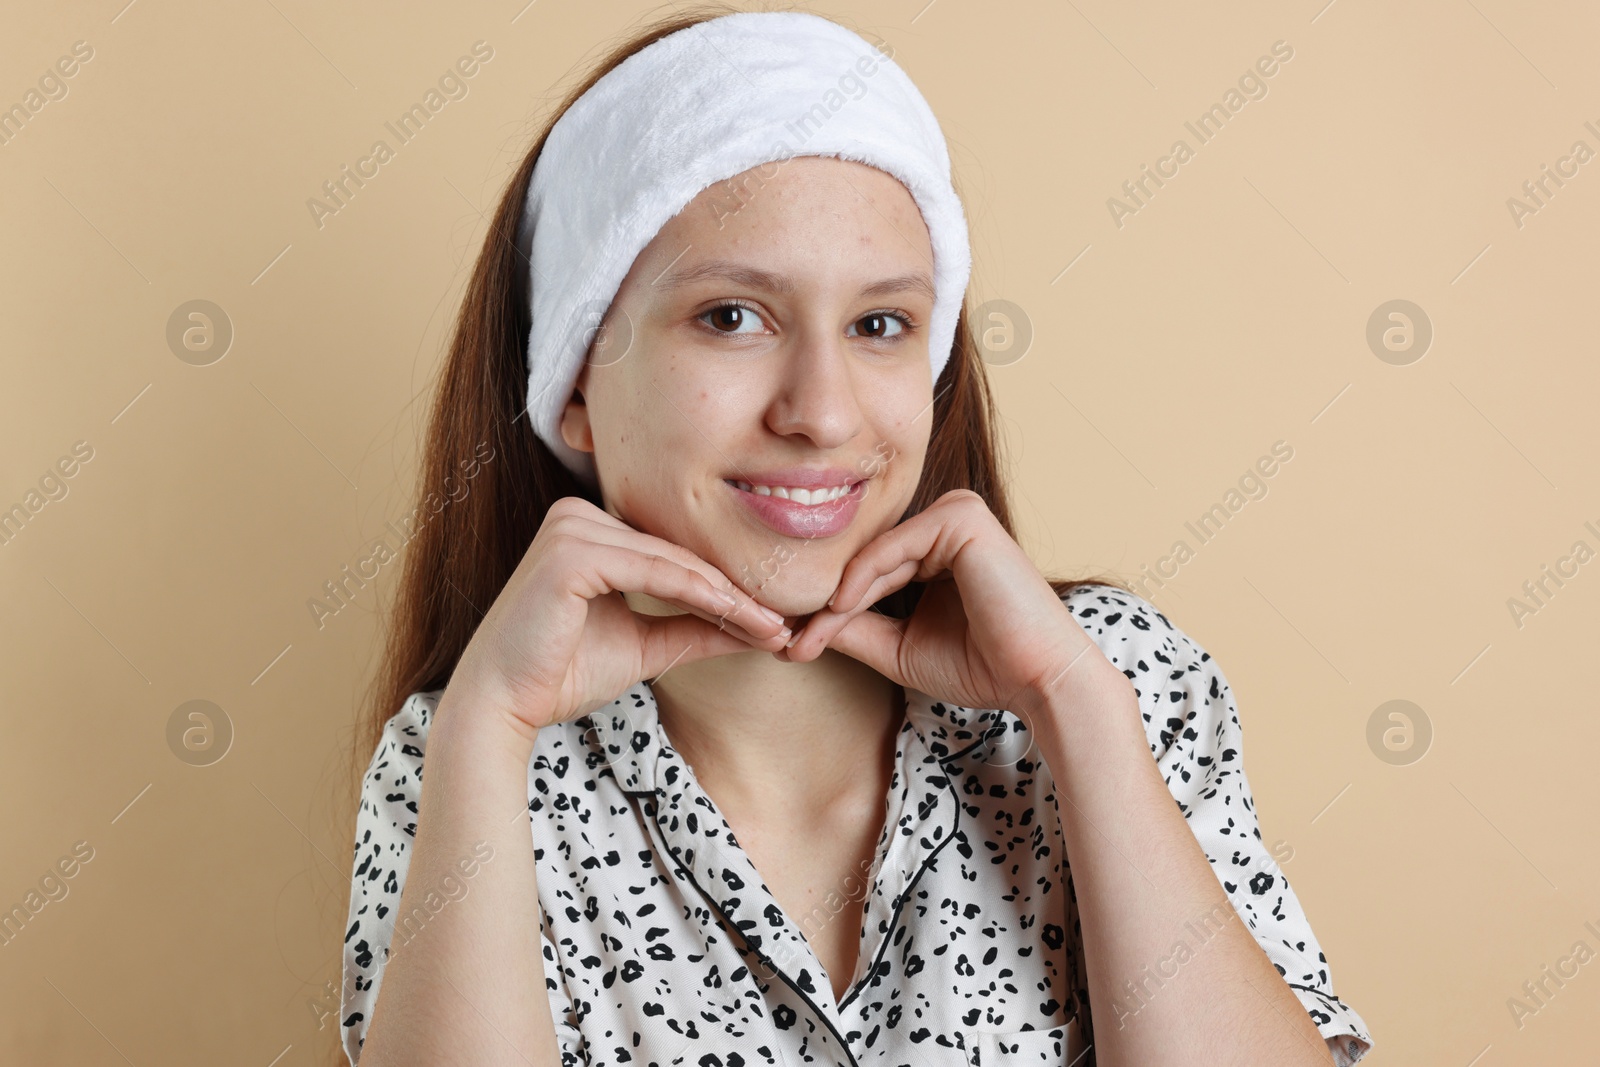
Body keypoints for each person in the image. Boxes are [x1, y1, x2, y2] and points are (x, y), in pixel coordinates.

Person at [338, 7, 1374, 1066]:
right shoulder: (460, 759)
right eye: (732, 316)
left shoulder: (1115, 681)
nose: (822, 413)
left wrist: (1075, 705)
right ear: (573, 384)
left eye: (879, 325)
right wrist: (488, 727)